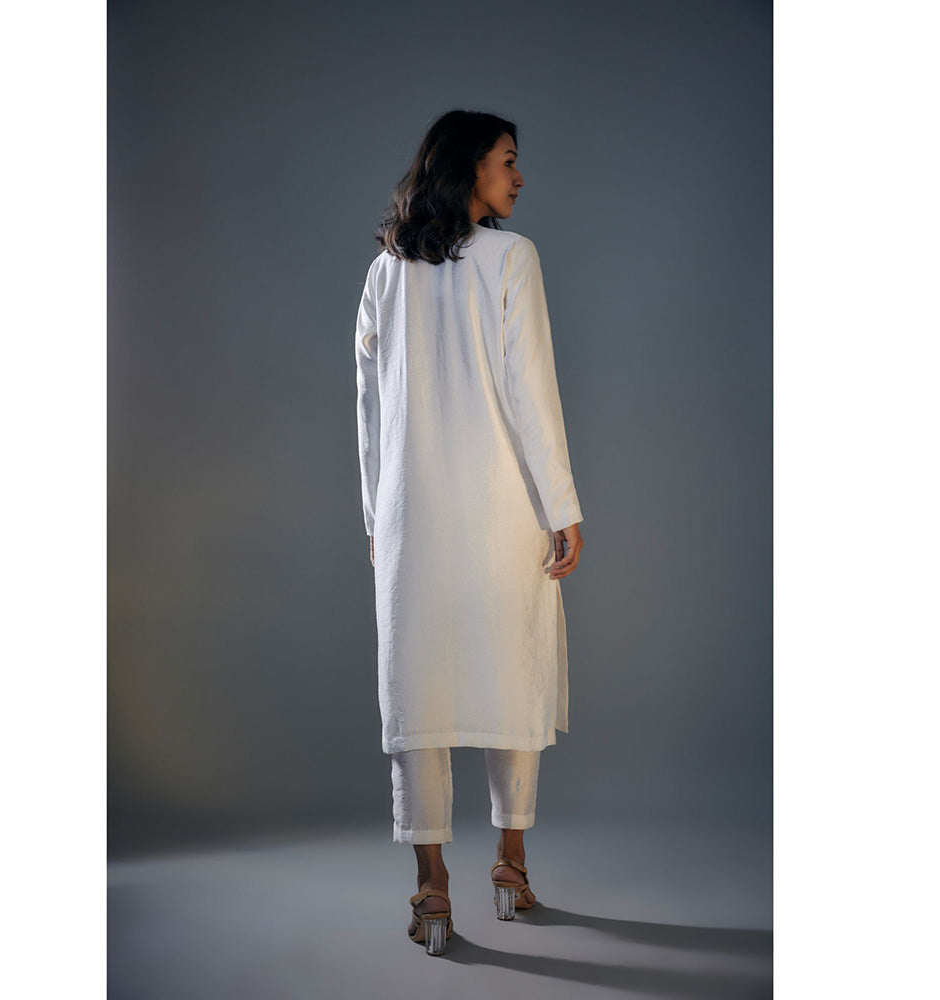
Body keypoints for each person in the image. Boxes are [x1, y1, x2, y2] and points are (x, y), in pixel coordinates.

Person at [354, 109, 585, 955]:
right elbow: (532, 392)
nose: (519, 178)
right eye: (507, 161)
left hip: (413, 515)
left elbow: (369, 405)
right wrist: (561, 505)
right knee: (511, 674)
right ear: (467, 168)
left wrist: (376, 514)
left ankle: (432, 888)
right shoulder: (512, 258)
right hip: (500, 509)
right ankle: (510, 866)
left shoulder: (385, 271)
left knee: (417, 687)